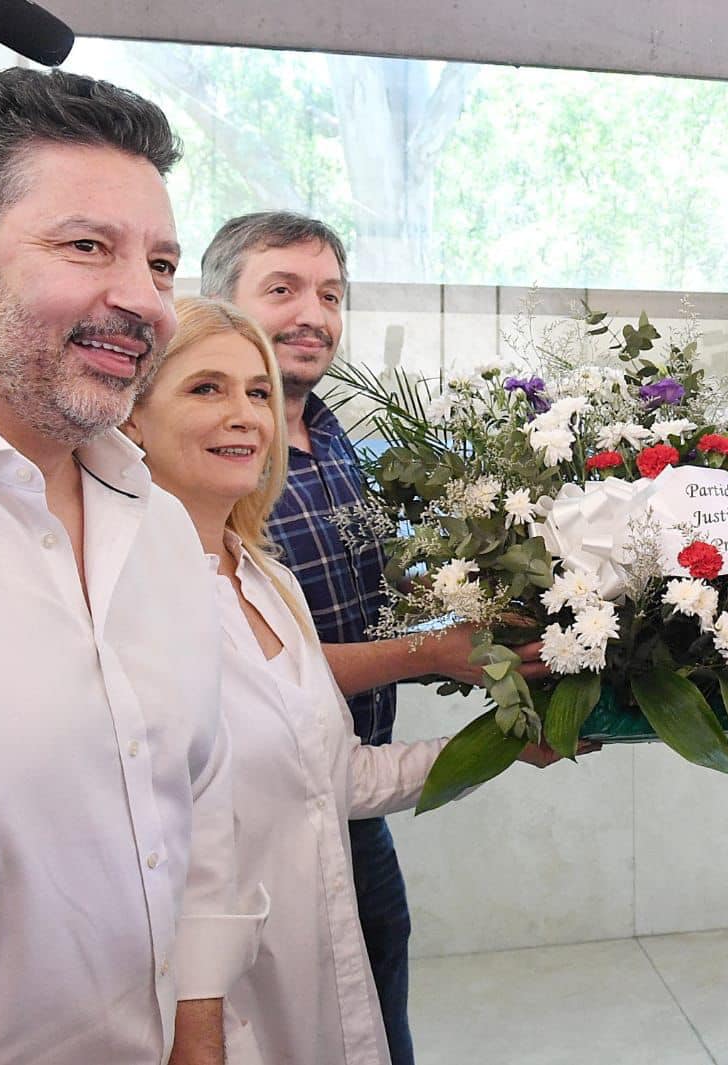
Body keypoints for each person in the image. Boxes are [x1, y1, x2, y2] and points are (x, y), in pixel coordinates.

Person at [0, 68, 259, 1064]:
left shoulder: (160, 528)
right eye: (87, 246)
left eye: (163, 264)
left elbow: (193, 813)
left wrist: (198, 1032)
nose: (142, 300)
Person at [125, 296, 508, 1064]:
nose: (245, 415)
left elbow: (334, 778)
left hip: (321, 974)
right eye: (206, 389)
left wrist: (504, 742)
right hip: (214, 1009)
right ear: (131, 419)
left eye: (257, 392)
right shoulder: (128, 603)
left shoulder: (268, 580)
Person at [200, 211, 541, 1064]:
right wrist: (432, 652)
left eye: (330, 294)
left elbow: (368, 586)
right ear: (219, 306)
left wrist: (495, 599)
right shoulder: (210, 471)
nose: (311, 313)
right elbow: (264, 671)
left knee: (372, 1015)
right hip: (252, 823)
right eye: (280, 290)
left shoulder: (334, 433)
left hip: (349, 783)